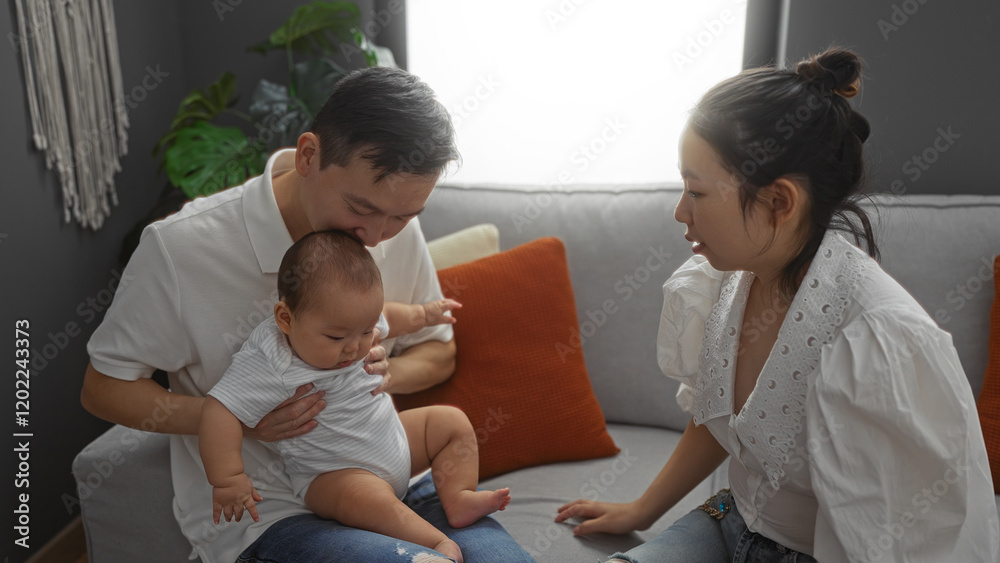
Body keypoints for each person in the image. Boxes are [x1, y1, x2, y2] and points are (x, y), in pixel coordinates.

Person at [555, 48, 999, 562]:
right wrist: (640, 510)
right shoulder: (731, 276)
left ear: (780, 202)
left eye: (696, 192)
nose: (680, 212)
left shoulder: (879, 341)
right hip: (730, 521)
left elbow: (898, 539)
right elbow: (720, 414)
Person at [81, 66, 534, 562]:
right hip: (271, 516)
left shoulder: (387, 222)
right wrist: (240, 419)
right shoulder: (181, 250)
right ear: (308, 156)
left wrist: (384, 371)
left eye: (403, 217)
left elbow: (438, 353)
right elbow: (103, 389)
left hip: (398, 477)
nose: (376, 237)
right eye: (360, 208)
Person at [200, 229, 511, 563]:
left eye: (366, 331)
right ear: (286, 319)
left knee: (450, 422)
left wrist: (424, 315)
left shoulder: (355, 322)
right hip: (335, 474)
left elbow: (390, 317)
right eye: (336, 338)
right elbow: (219, 409)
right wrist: (228, 478)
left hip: (398, 445)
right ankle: (435, 543)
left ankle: (458, 497)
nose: (354, 347)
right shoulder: (271, 358)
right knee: (368, 499)